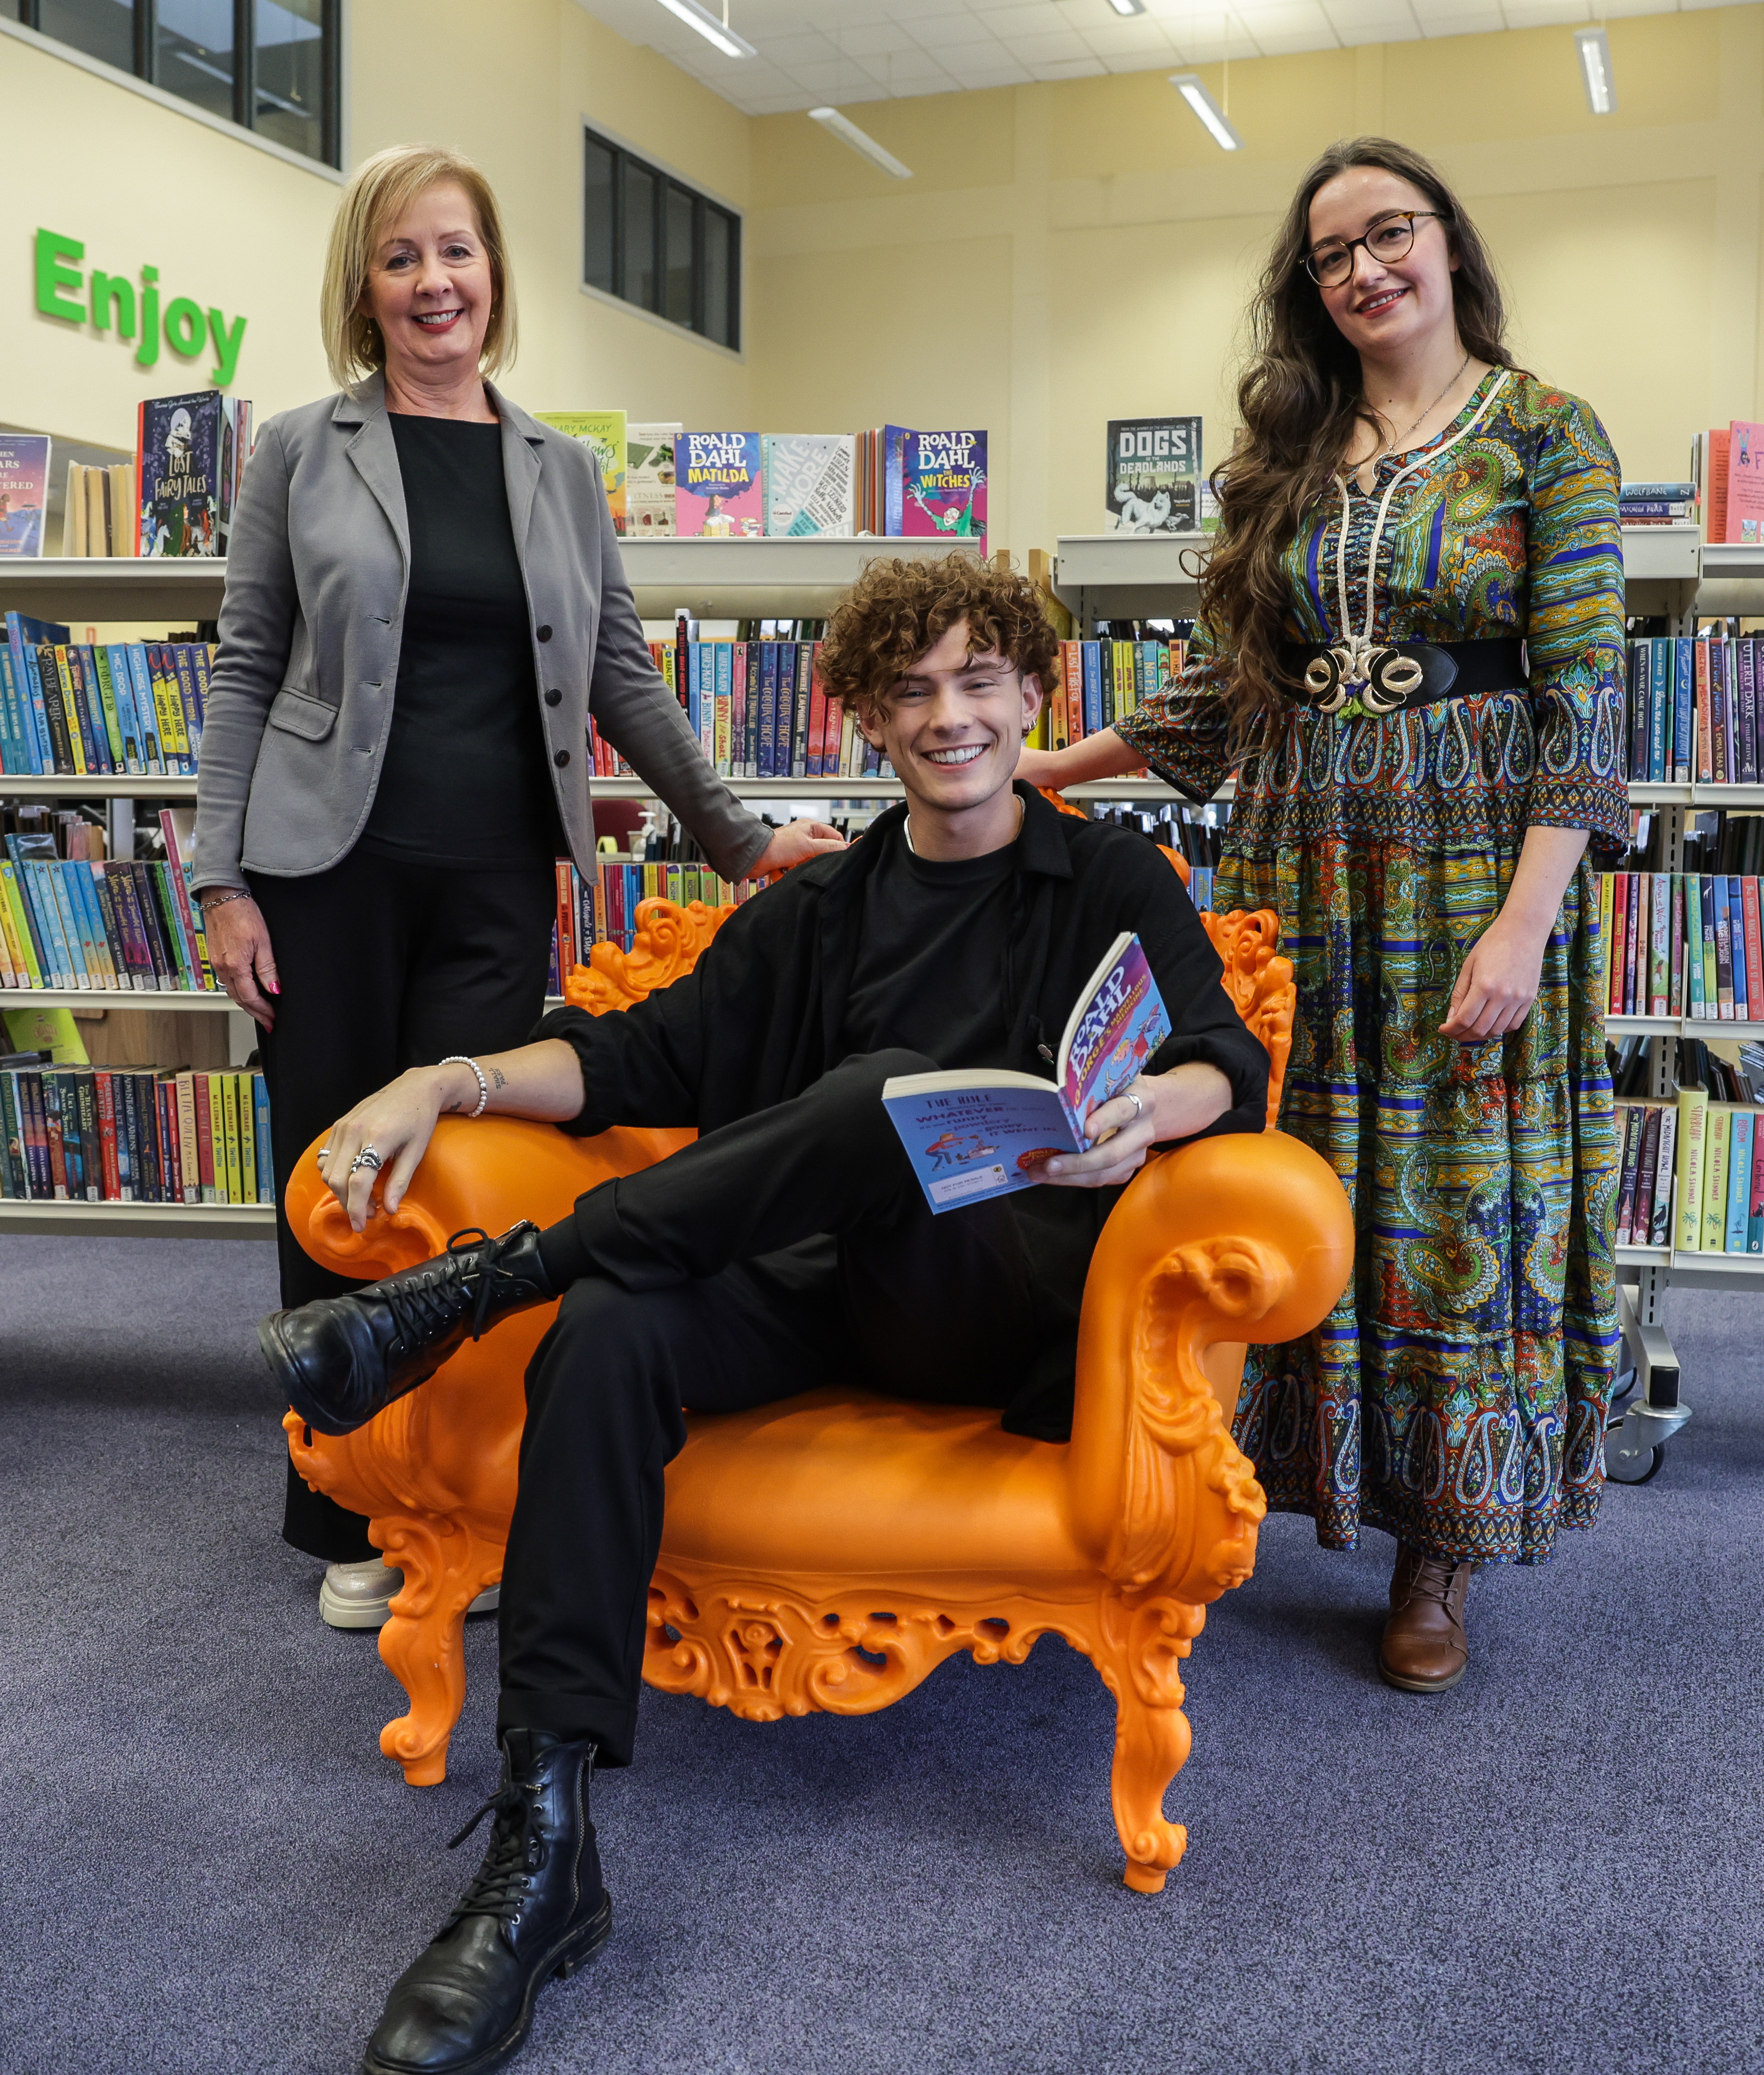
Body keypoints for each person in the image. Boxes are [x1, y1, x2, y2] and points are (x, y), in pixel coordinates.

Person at [258, 553, 1269, 2075]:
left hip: (995, 1309)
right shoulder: (826, 907)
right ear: (866, 718)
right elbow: (626, 1059)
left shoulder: (1107, 876)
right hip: (820, 1293)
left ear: (1031, 696)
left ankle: (473, 1292)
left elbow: (1220, 1061)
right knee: (610, 1329)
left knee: (877, 1098)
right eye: (913, 690)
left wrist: (1150, 1107)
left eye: (979, 682)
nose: (950, 717)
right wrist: (440, 1080)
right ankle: (542, 1856)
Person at [193, 143, 841, 1628]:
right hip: (322, 874)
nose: (435, 283)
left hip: (493, 879)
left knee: (470, 1179)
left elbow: (621, 675)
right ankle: (345, 1503)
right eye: (402, 258)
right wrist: (222, 880)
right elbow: (243, 671)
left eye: (458, 253)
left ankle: (457, 1489)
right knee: (333, 1182)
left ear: (495, 276)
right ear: (364, 287)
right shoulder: (300, 446)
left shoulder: (559, 469)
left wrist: (741, 840)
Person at [1019, 136, 1628, 1693]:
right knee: (1291, 1180)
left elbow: (1584, 704)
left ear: (1446, 240)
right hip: (1300, 866)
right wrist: (1038, 770)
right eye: (1330, 255)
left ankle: (1442, 1546)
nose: (1362, 269)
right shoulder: (1291, 449)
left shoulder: (1545, 434)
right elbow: (1228, 697)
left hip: (1466, 870)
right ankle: (1255, 1491)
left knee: (1447, 1201)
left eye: (1388, 233)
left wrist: (1522, 926)